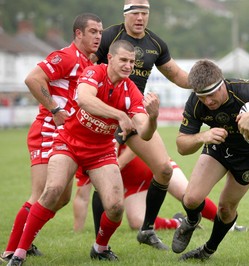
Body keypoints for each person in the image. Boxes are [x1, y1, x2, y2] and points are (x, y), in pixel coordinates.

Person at [7, 40, 158, 265]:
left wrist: (153, 118)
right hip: (69, 143)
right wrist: (119, 115)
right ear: (110, 59)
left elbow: (144, 132)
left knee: (116, 207)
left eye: (131, 62)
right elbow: (85, 100)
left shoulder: (131, 91)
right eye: (124, 60)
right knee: (52, 191)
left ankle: (100, 248)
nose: (128, 66)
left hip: (101, 152)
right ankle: (18, 254)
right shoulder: (93, 72)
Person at [171, 59, 249, 261]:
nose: (208, 102)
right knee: (191, 199)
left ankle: (207, 251)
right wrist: (201, 137)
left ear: (222, 82)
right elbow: (181, 146)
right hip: (219, 148)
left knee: (226, 208)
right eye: (202, 97)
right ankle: (192, 221)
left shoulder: (246, 91)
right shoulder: (196, 103)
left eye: (212, 94)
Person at [1, 13, 103, 262]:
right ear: (78, 33)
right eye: (92, 31)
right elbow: (32, 79)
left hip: (67, 136)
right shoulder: (66, 56)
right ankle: (11, 251)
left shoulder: (88, 64)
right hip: (48, 130)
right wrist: (55, 109)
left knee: (62, 197)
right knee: (42, 193)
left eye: (100, 32)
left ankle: (28, 237)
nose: (98, 36)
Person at [90, 0, 191, 250]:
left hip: (135, 112)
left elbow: (178, 76)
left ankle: (146, 230)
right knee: (100, 179)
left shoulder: (156, 44)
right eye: (135, 13)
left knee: (165, 170)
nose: (140, 18)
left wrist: (204, 81)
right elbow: (86, 68)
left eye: (144, 13)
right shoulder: (109, 37)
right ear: (125, 14)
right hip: (103, 114)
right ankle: (100, 242)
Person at [73, 144, 222, 232]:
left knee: (188, 195)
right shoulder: (87, 153)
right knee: (137, 222)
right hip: (134, 183)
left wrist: (118, 163)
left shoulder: (114, 124)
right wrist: (77, 231)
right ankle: (179, 222)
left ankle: (228, 224)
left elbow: (137, 142)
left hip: (156, 165)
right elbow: (81, 195)